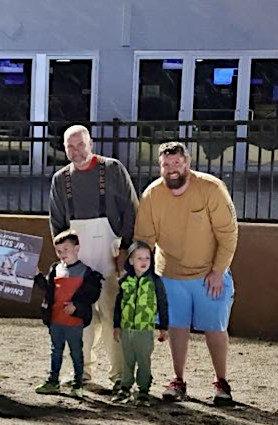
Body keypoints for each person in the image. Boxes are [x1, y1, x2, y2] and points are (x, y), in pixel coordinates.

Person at [134, 142, 239, 406]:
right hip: (169, 273)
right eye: (166, 165)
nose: (172, 170)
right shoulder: (151, 195)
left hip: (209, 274)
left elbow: (228, 234)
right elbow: (144, 239)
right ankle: (178, 380)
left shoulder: (211, 189)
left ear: (187, 163)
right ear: (160, 166)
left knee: (215, 328)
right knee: (176, 326)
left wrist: (218, 271)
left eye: (177, 163)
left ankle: (221, 382)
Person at [49, 125, 138, 389]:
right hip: (77, 259)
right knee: (78, 317)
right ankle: (81, 373)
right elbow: (56, 220)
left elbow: (131, 210)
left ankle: (120, 376)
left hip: (109, 255)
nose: (76, 151)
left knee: (113, 316)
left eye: (80, 145)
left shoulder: (112, 169)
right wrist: (64, 254)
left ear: (91, 143)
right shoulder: (60, 179)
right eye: (70, 147)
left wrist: (125, 250)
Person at [34, 231, 104, 398]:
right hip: (56, 319)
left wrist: (77, 306)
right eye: (59, 250)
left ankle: (77, 383)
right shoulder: (55, 269)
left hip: (74, 322)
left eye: (66, 249)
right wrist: (37, 274)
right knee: (55, 350)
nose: (62, 253)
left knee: (76, 352)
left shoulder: (87, 273)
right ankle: (53, 381)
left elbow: (92, 295)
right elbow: (47, 288)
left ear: (77, 248)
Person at [112, 241, 169, 406]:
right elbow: (118, 304)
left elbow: (162, 303)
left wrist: (163, 327)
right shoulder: (125, 281)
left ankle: (143, 390)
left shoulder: (155, 281)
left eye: (147, 258)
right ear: (130, 260)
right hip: (126, 327)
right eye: (139, 258)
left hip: (144, 328)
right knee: (127, 359)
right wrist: (116, 325)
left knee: (144, 360)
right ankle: (125, 387)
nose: (144, 261)